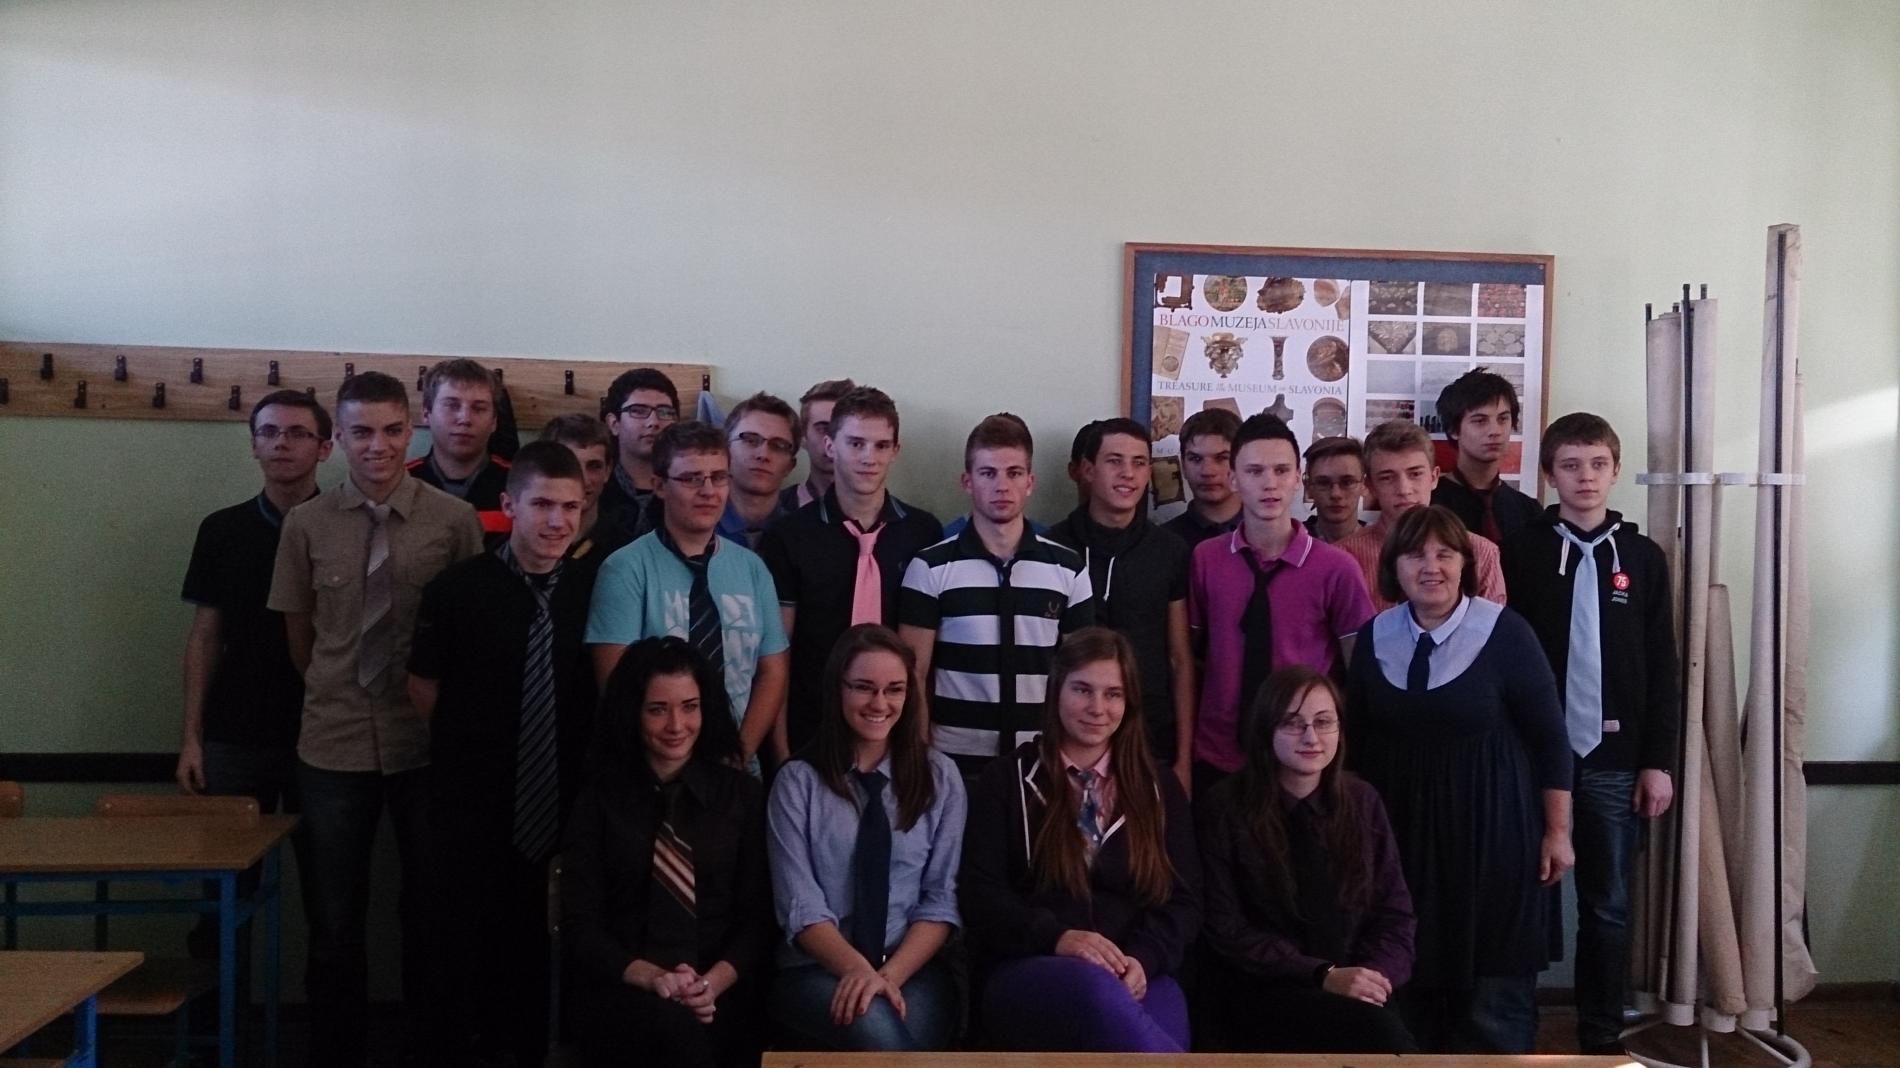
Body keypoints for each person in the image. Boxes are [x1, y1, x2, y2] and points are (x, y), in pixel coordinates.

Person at [267, 371, 485, 1067]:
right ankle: (338, 1054)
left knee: (430, 913)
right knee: (334, 921)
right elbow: (300, 635)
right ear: (338, 437)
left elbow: (470, 630)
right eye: (361, 431)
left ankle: (430, 1051)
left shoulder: (453, 521)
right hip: (331, 745)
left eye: (393, 430)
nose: (378, 446)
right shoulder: (306, 525)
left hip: (422, 742)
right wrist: (338, 685)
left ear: (412, 429)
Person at [1344, 505, 1572, 1053]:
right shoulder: (1374, 636)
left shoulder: (1506, 633)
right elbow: (1356, 743)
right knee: (1411, 987)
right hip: (1404, 841)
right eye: (1415, 555)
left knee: (1493, 1003)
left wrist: (1558, 832)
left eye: (1445, 554)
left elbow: (1550, 738)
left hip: (1494, 837)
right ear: (1393, 567)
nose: (1431, 567)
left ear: (1465, 565)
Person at [407, 442, 597, 1066]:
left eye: (570, 507)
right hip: (474, 803)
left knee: (545, 957)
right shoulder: (457, 590)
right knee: (463, 950)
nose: (557, 521)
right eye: (541, 505)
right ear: (510, 506)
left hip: (567, 803)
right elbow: (425, 689)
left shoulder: (597, 588)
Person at [1501, 412, 1679, 1056]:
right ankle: (1512, 1026)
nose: (1585, 477)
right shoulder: (1518, 552)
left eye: (1598, 464)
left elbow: (1662, 664)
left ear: (1615, 469)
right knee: (1523, 892)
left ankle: (1600, 1034)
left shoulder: (1643, 558)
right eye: (1571, 466)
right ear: (1549, 474)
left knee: (1608, 905)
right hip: (1532, 757)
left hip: (1615, 758)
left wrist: (1657, 761)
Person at [960, 628, 1201, 1053]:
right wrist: (1058, 937)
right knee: (1097, 993)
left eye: (1113, 694)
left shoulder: (1159, 787)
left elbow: (1185, 901)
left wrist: (1144, 958)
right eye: (1082, 690)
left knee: (1162, 1029)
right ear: (1056, 690)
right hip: (1031, 968)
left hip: (1137, 970)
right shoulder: (1006, 780)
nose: (1097, 708)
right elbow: (981, 896)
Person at [562, 637, 771, 1068]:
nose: (677, 724)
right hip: (626, 985)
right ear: (632, 713)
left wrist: (710, 984)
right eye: (657, 709)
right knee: (672, 1030)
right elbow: (581, 925)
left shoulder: (743, 797)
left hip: (723, 986)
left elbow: (759, 919)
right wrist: (654, 977)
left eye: (689, 707)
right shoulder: (598, 800)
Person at [1195, 666, 1417, 1053]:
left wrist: (1371, 977)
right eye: (1293, 724)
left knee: (1383, 1030)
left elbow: (1395, 916)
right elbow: (1227, 929)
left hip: (1358, 984)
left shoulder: (1363, 801)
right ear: (1266, 730)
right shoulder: (1225, 807)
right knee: (1380, 1035)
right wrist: (1322, 974)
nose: (1311, 737)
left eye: (1323, 722)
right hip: (1265, 986)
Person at [766, 625, 966, 1051]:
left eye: (894, 690)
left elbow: (939, 900)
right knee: (883, 1038)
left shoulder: (941, 778)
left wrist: (887, 977)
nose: (880, 703)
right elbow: (801, 908)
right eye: (863, 688)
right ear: (837, 688)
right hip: (816, 969)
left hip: (912, 969)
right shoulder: (797, 783)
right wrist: (858, 971)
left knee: (891, 1035)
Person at [900, 413, 1093, 780]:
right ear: (967, 482)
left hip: (1043, 759)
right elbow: (913, 675)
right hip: (952, 763)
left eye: (1014, 473)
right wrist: (919, 759)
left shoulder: (1068, 568)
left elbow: (1081, 674)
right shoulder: (930, 567)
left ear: (1030, 483)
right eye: (988, 473)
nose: (1002, 486)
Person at [1189, 414, 1374, 797]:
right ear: (1233, 478)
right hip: (1218, 755)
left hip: (1303, 761)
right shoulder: (1206, 559)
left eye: (1281, 470)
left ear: (1298, 478)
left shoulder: (1336, 568)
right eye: (1254, 471)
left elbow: (1360, 671)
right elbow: (1192, 657)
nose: (1269, 483)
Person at [587, 420, 790, 768]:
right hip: (651, 769)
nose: (708, 491)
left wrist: (738, 756)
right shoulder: (625, 569)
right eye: (692, 478)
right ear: (659, 485)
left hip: (734, 769)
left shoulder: (752, 568)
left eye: (719, 477)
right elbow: (617, 685)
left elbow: (773, 671)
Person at [758, 387, 942, 760]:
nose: (868, 458)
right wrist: (781, 751)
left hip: (894, 731)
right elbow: (777, 655)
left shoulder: (923, 534)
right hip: (812, 729)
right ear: (830, 446)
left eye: (881, 446)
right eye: (856, 444)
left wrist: (919, 747)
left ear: (896, 450)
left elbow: (926, 661)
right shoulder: (789, 536)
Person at [177, 389, 333, 815]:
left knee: (326, 855)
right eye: (269, 432)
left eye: (297, 433)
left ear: (324, 449)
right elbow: (205, 638)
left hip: (321, 728)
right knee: (229, 853)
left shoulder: (345, 529)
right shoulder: (222, 530)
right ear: (254, 445)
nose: (281, 443)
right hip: (235, 729)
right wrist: (191, 738)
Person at [1046, 417, 1195, 791]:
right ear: (1087, 470)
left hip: (1150, 735)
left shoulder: (1170, 550)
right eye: (1114, 461)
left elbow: (1179, 658)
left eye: (1139, 463)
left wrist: (1184, 759)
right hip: (1070, 734)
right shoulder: (1052, 548)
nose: (1128, 473)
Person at [1338, 420, 1508, 612]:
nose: (1404, 490)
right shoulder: (1344, 557)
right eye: (1387, 478)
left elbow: (1494, 627)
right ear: (1370, 486)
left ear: (1434, 477)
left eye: (1415, 474)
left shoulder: (1481, 553)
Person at [1431, 370, 1541, 544]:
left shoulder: (1528, 510)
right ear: (1453, 430)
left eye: (1503, 419)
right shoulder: (1429, 503)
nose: (1495, 431)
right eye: (1480, 421)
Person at [407, 358, 512, 539]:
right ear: (426, 413)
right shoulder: (400, 483)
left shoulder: (520, 484)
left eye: (479, 408)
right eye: (452, 405)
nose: (465, 419)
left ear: (494, 421)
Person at [539, 412, 640, 570]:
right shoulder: (521, 544)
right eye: (571, 465)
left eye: (594, 466)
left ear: (608, 471)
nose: (584, 480)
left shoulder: (629, 552)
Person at [599, 368, 682, 533]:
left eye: (665, 412)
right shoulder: (596, 487)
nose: (653, 422)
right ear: (614, 423)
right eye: (638, 411)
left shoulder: (684, 489)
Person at [719, 392, 799, 549]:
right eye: (750, 440)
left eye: (779, 446)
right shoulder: (693, 529)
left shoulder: (801, 537)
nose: (763, 455)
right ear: (725, 451)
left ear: (790, 466)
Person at [1161, 408, 1242, 547]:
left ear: (1243, 463)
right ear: (1183, 466)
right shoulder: (1162, 543)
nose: (1207, 471)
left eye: (1222, 458)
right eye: (1195, 459)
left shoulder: (1271, 535)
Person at [781, 378, 857, 511]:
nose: (833, 442)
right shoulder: (776, 511)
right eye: (823, 429)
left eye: (845, 430)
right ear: (802, 436)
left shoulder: (890, 514)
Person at [1302, 435, 1368, 544]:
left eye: (1347, 482)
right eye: (1323, 483)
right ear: (1308, 487)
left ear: (1364, 485)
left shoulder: (1385, 546)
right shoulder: (1290, 543)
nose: (1335, 494)